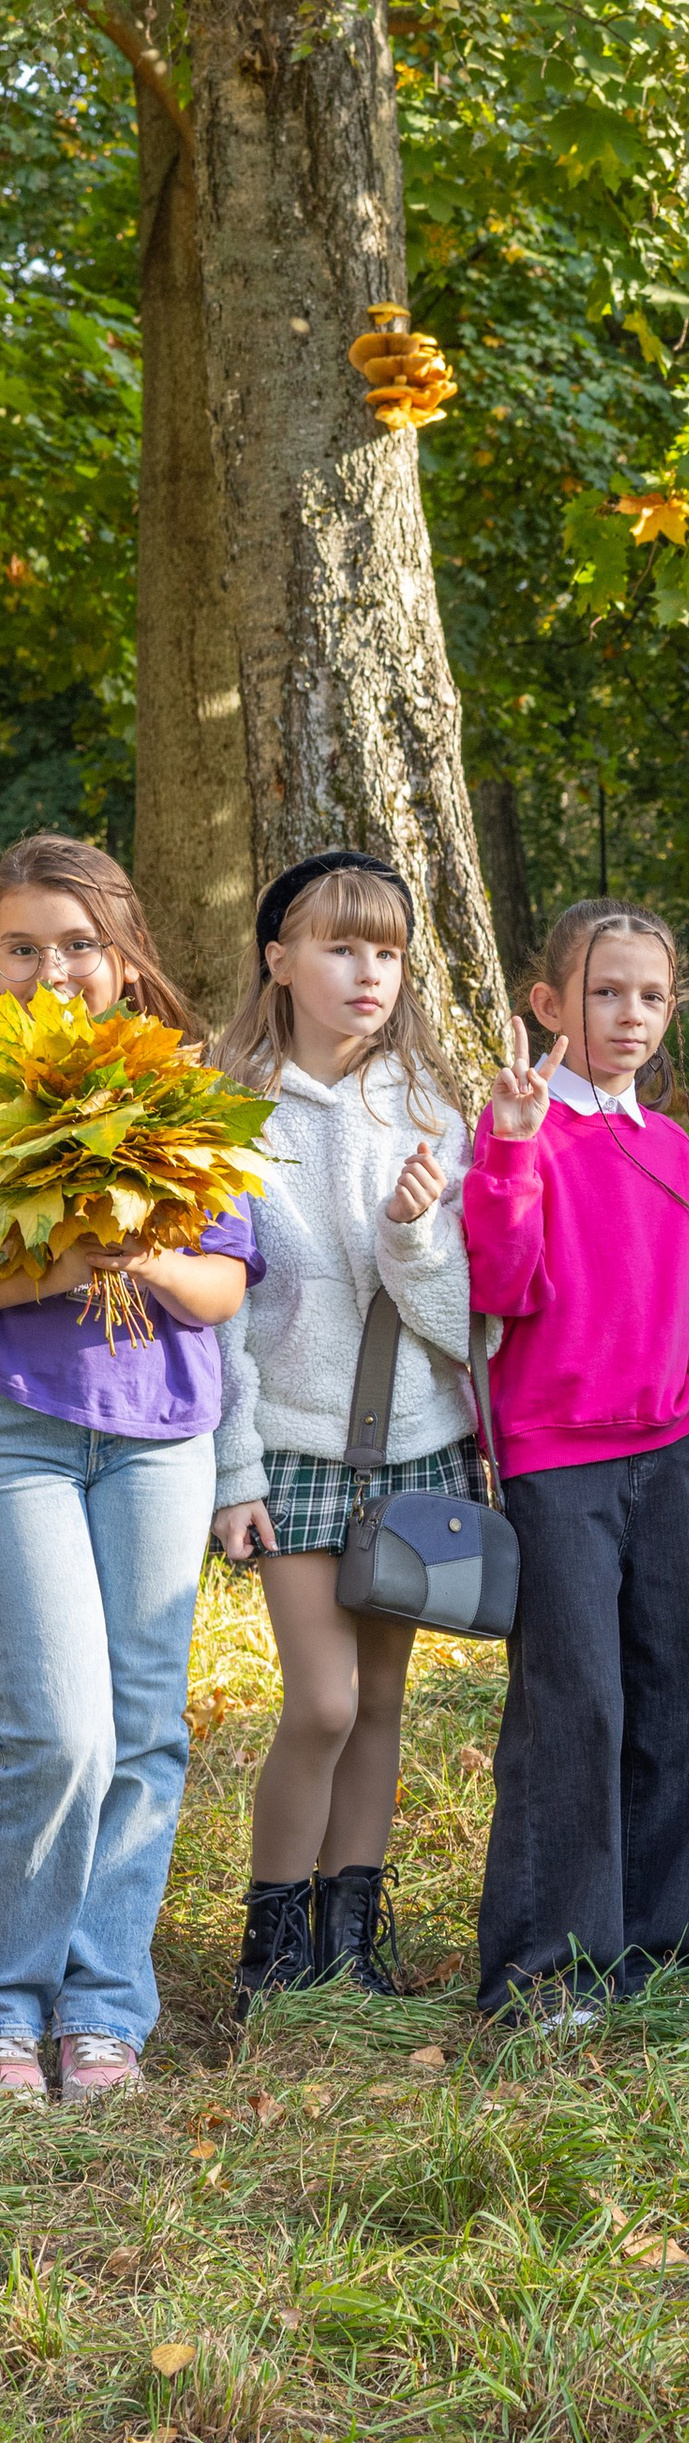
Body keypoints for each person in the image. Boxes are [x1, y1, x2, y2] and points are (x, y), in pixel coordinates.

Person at [0, 837, 259, 2103]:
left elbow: (219, 1284)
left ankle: (104, 2010)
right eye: (22, 945)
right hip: (21, 1433)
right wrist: (50, 1264)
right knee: (57, 1727)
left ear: (122, 952)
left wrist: (126, 1247)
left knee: (147, 1727)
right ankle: (8, 2001)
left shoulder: (186, 1086)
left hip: (158, 1434)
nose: (54, 967)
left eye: (78, 943)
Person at [210, 849, 477, 2016]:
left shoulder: (427, 1110)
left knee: (379, 1701)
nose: (369, 972)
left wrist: (415, 1236)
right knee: (318, 1700)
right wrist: (233, 1468)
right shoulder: (226, 1109)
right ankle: (271, 1941)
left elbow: (463, 1322)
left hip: (415, 1440)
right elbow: (215, 1314)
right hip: (294, 1443)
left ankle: (349, 1936)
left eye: (388, 951)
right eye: (339, 945)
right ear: (279, 960)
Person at [462, 900, 689, 2025]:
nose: (630, 1015)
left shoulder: (669, 1147)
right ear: (549, 1003)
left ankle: (654, 1941)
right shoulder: (523, 1134)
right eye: (606, 991)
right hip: (556, 1462)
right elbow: (501, 1282)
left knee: (683, 1707)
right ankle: (548, 1965)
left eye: (652, 996)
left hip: (663, 1454)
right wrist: (515, 1150)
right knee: (576, 1704)